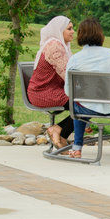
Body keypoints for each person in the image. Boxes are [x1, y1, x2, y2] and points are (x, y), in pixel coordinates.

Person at [63, 18, 110, 159]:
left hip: (86, 109)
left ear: (80, 35)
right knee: (83, 104)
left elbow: (68, 91)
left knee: (77, 103)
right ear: (100, 34)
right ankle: (85, 128)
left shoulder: (75, 59)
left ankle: (77, 147)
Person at [27, 16, 75, 149]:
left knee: (86, 104)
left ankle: (60, 132)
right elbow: (68, 75)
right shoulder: (55, 46)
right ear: (59, 30)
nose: (73, 32)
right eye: (69, 29)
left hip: (53, 90)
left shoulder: (61, 45)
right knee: (84, 105)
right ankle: (59, 131)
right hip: (42, 93)